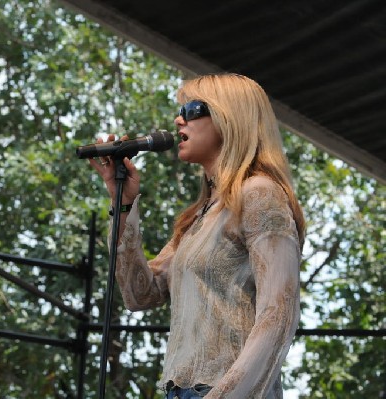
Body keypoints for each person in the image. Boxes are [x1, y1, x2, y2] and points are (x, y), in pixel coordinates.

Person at [89, 73, 305, 398]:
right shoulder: (201, 215)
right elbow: (139, 294)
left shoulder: (259, 194)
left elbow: (279, 313)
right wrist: (122, 203)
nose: (178, 120)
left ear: (229, 117)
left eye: (192, 109)